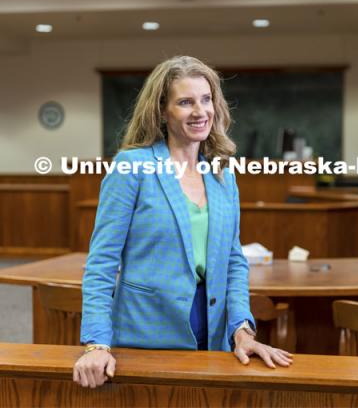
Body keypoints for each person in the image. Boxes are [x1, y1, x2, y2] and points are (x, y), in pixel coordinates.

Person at [73, 56, 293, 388]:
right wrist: (96, 343)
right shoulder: (132, 166)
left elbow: (233, 261)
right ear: (162, 110)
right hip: (144, 335)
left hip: (213, 333)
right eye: (185, 102)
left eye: (206, 100)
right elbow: (102, 262)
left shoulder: (222, 173)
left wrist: (242, 329)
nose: (199, 111)